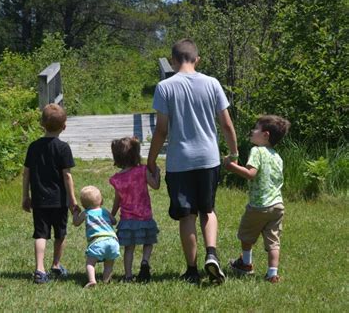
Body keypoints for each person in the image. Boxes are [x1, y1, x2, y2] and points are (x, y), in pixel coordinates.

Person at [147, 39, 238, 284]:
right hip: (209, 158)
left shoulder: (165, 87)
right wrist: (234, 153)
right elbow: (227, 124)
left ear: (173, 60)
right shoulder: (212, 83)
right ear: (197, 59)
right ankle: (212, 254)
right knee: (208, 209)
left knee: (187, 216)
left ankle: (191, 270)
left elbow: (161, 131)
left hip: (180, 162)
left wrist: (151, 160)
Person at [224, 115, 290, 284]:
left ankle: (246, 264)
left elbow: (251, 174)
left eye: (256, 128)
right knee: (273, 241)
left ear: (265, 135)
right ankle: (272, 273)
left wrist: (231, 166)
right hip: (277, 205)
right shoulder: (277, 157)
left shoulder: (257, 151)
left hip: (259, 205)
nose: (253, 131)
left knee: (246, 236)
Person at [22, 103, 78, 284]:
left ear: (41, 124)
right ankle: (55, 264)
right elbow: (67, 176)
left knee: (40, 234)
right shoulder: (63, 148)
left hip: (39, 199)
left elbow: (27, 173)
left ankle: (39, 269)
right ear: (64, 126)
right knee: (60, 234)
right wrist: (72, 199)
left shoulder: (33, 147)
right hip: (59, 200)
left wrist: (25, 196)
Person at [109, 137, 160, 283]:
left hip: (127, 220)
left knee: (129, 249)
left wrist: (112, 215)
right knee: (148, 242)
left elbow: (117, 200)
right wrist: (157, 172)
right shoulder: (142, 171)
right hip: (144, 216)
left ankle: (128, 275)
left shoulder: (117, 179)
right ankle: (145, 261)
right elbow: (155, 185)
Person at [73, 186, 120, 288]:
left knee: (90, 263)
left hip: (97, 241)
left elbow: (76, 223)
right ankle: (105, 280)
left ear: (84, 205)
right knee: (109, 263)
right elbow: (114, 221)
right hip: (113, 241)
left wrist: (75, 213)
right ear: (101, 201)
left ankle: (92, 280)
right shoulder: (105, 211)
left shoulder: (86, 213)